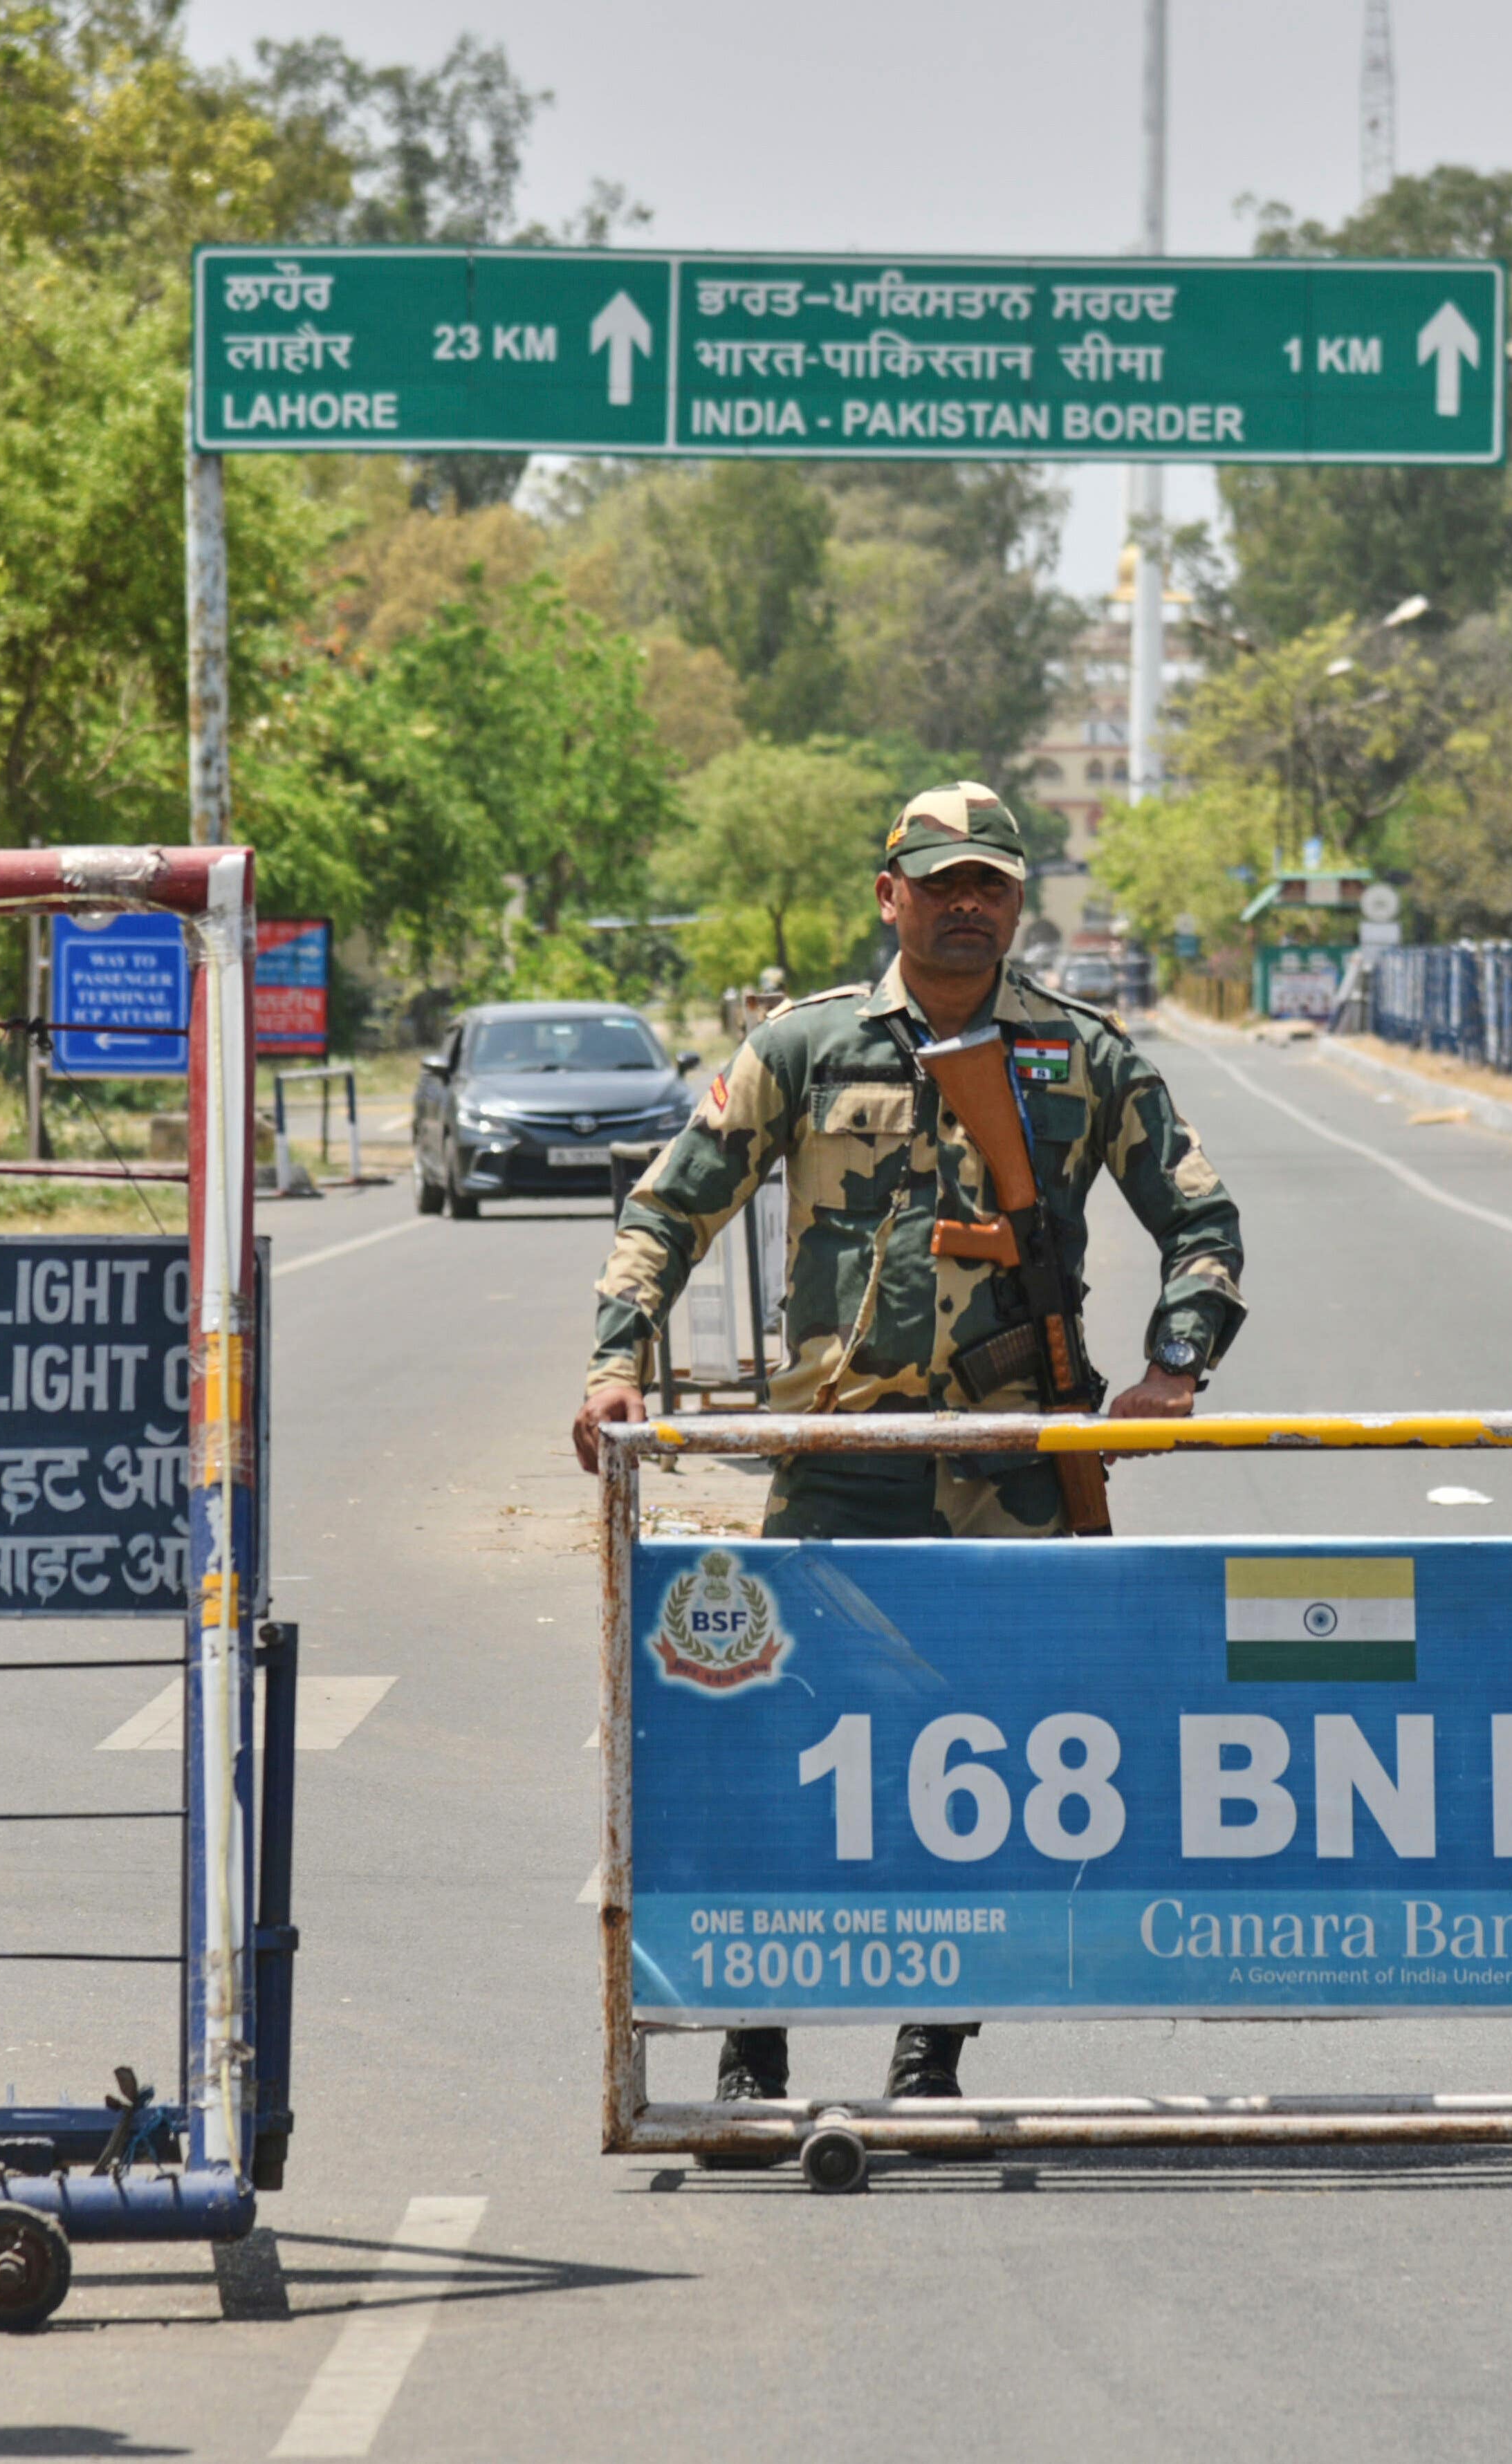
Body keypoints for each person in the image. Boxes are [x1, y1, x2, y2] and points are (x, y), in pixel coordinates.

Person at [570, 781, 1245, 2153]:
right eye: (938, 880)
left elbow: (1202, 1214)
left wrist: (1175, 1358)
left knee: (986, 1756)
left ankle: (932, 2044)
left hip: (1004, 1464)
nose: (963, 903)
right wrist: (616, 1355)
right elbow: (669, 1200)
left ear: (1015, 898)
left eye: (988, 882)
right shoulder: (807, 1045)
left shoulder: (1082, 1056)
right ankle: (753, 2042)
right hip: (836, 1460)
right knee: (773, 1742)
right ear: (888, 890)